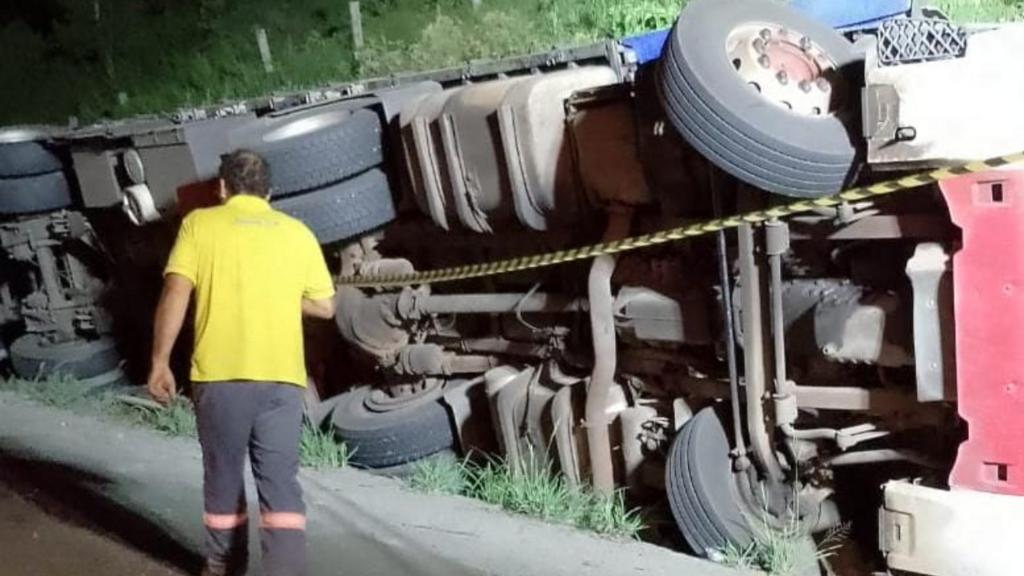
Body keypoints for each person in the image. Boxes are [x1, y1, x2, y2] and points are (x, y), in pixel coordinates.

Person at [147, 150, 336, 576]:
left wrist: (159, 361)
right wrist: (279, 295)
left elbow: (176, 292)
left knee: (224, 477)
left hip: (221, 379)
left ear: (221, 188)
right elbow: (325, 306)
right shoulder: (297, 233)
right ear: (269, 192)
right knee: (280, 484)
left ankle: (223, 567)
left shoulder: (200, 225)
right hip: (282, 381)